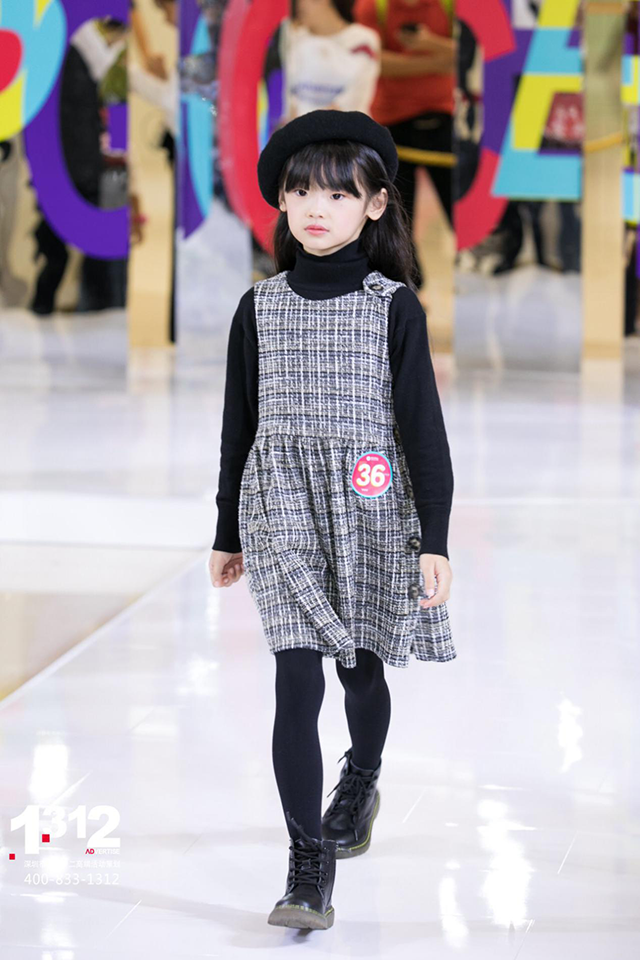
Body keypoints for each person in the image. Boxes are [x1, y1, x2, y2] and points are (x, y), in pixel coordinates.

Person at [209, 110, 455, 930]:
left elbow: (423, 429)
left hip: (370, 505)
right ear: (281, 200)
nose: (318, 207)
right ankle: (306, 863)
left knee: (359, 670)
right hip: (278, 503)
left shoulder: (394, 307)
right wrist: (227, 530)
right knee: (296, 672)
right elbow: (239, 425)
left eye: (340, 194)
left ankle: (362, 775)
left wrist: (434, 537)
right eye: (302, 191)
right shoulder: (259, 307)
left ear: (376, 205)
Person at [353, 0, 456, 287]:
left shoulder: (450, 5)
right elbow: (374, 63)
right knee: (397, 219)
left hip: (445, 118)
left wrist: (429, 43)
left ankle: (474, 273)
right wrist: (439, 60)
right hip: (391, 123)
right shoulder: (373, 7)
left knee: (460, 208)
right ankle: (407, 288)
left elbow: (471, 54)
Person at [283, 0, 381, 118]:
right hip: (295, 128)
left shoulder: (362, 40)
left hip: (346, 128)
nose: (297, 5)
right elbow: (281, 99)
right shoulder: (289, 38)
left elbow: (352, 102)